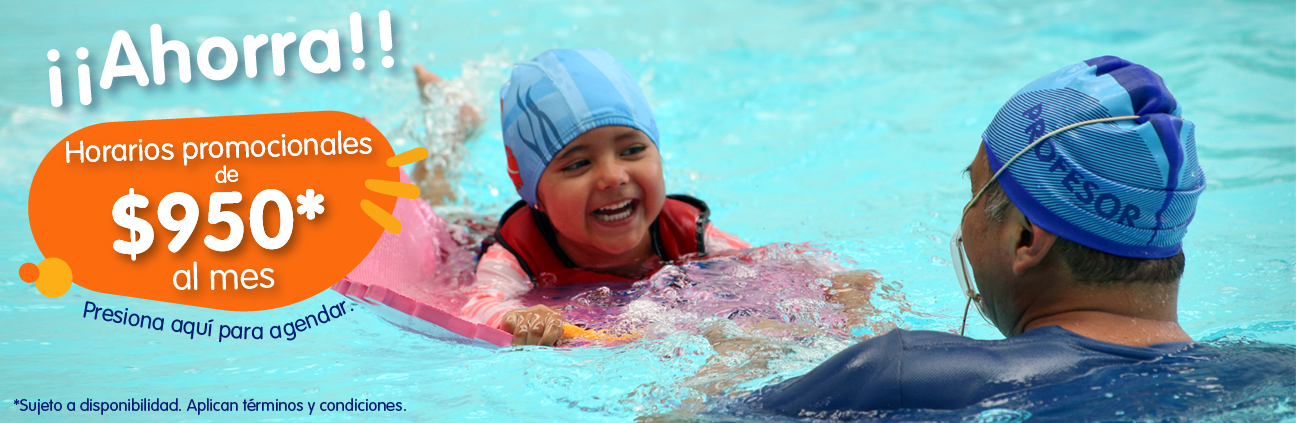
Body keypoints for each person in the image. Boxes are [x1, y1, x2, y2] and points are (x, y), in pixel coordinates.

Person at [744, 56, 1208, 415]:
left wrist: (745, 352)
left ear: (1027, 238)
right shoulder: (1271, 373)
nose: (965, 216)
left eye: (974, 191)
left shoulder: (899, 377)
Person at [442, 48, 751, 346]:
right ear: (534, 192)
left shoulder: (688, 233)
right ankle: (453, 137)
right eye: (578, 164)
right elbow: (477, 307)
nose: (614, 177)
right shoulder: (519, 253)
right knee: (445, 213)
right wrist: (517, 318)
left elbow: (769, 273)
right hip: (469, 238)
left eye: (631, 150)